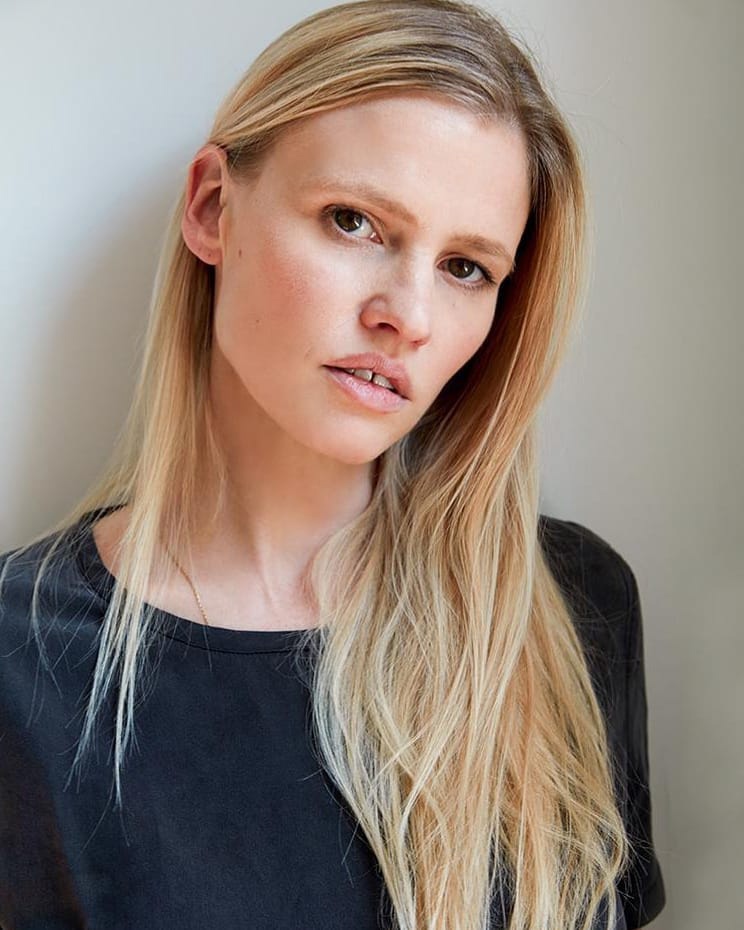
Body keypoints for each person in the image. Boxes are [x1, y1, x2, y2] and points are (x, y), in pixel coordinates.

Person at [0, 1, 666, 927]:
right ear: (213, 208)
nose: (409, 316)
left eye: (466, 268)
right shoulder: (20, 663)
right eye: (354, 222)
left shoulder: (573, 608)